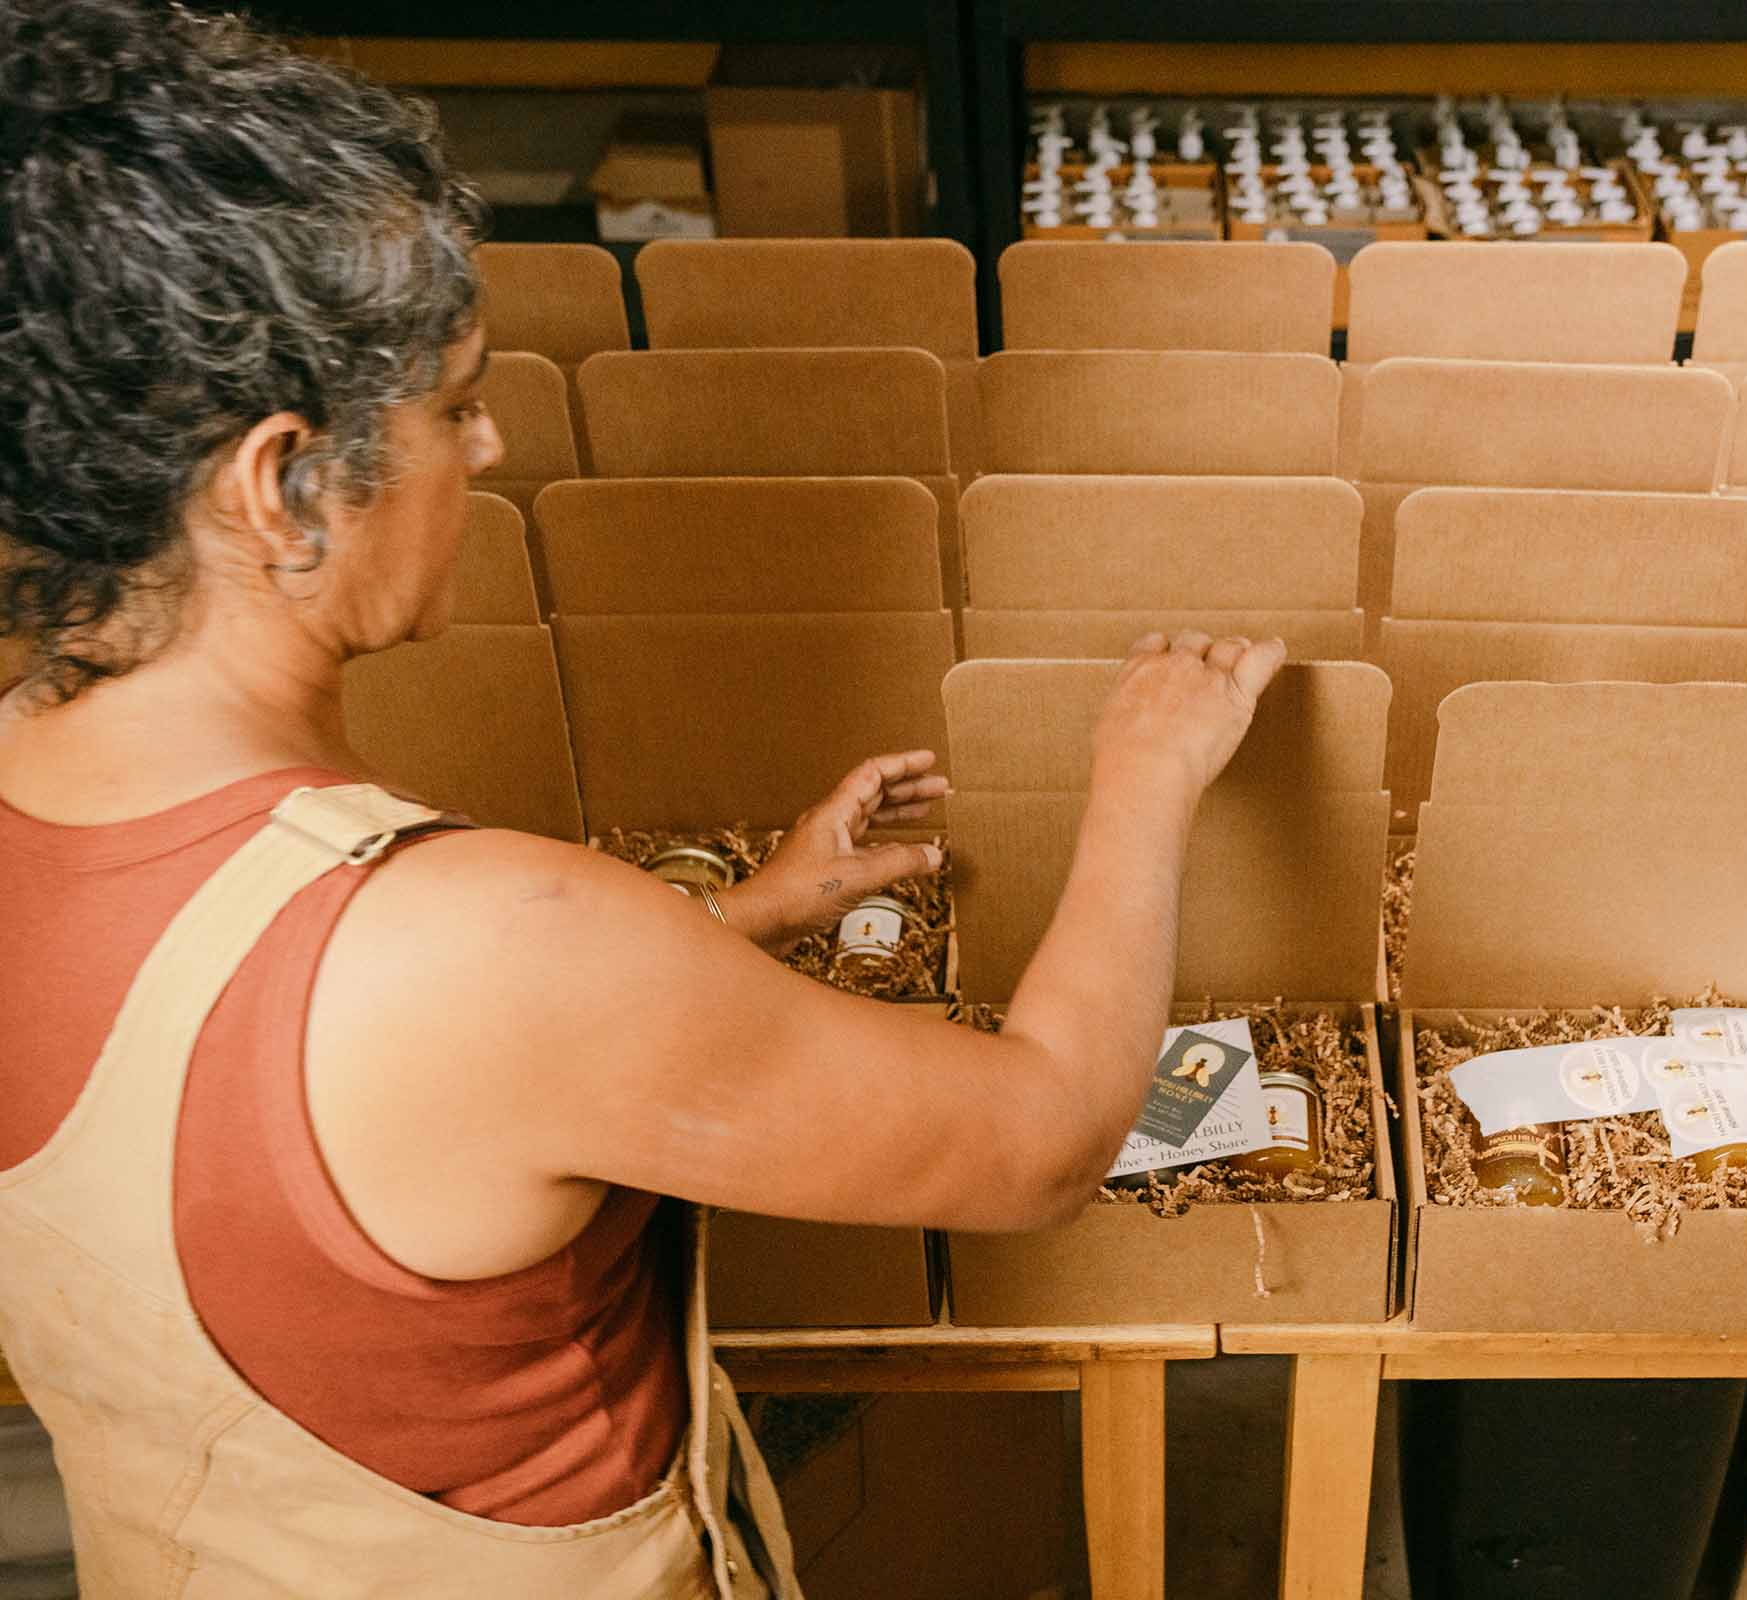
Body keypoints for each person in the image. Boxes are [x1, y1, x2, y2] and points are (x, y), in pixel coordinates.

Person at [0, 2, 1285, 1594]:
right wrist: (1147, 775)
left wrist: (733, 919)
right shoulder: (490, 947)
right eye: (451, 402)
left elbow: (273, 1075)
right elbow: (1037, 1143)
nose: (491, 442)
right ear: (278, 483)